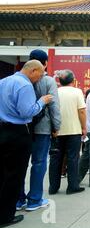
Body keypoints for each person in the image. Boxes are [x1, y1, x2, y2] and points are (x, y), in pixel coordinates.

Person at [0, 60, 52, 228]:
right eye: (41, 74)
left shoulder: (3, 81)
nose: (40, 78)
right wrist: (42, 101)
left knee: (2, 173)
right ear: (33, 70)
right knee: (14, 175)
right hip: (17, 133)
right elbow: (27, 112)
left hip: (2, 131)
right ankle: (6, 216)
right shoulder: (25, 85)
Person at [18, 49, 61, 212]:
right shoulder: (48, 81)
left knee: (20, 163)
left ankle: (18, 198)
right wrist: (56, 127)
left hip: (22, 127)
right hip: (42, 128)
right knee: (39, 162)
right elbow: (54, 106)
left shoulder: (20, 79)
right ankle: (34, 199)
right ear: (45, 64)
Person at [49, 70, 86, 195]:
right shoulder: (77, 92)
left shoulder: (54, 92)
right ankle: (72, 186)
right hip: (74, 130)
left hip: (56, 130)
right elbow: (81, 111)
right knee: (73, 158)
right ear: (73, 80)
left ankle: (53, 187)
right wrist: (84, 127)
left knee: (55, 159)